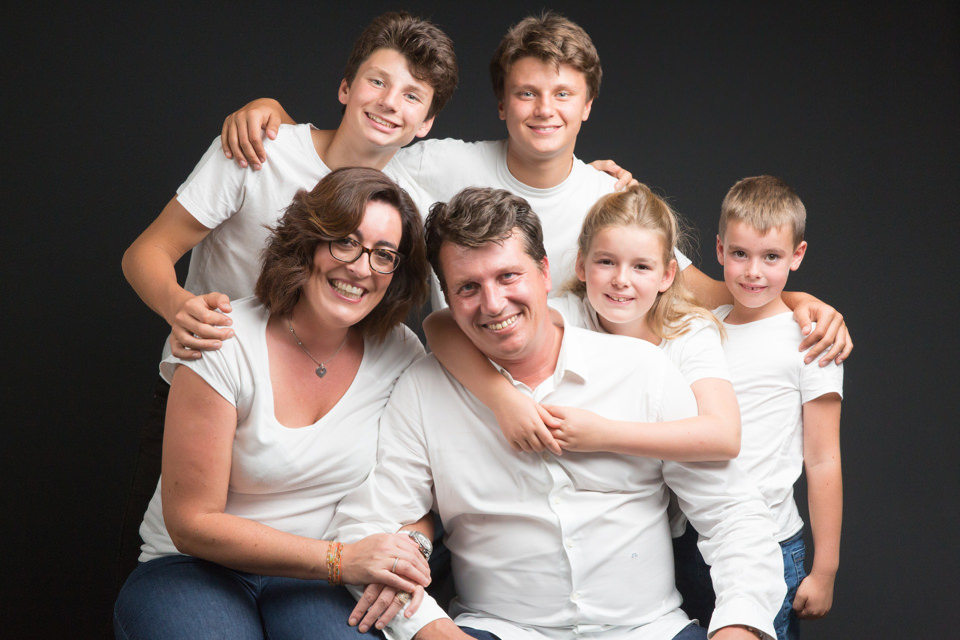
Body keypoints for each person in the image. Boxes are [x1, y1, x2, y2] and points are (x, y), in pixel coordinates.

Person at [222, 12, 851, 409]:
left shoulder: (608, 199)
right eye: (526, 93)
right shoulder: (439, 165)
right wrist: (273, 114)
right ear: (502, 104)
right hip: (460, 395)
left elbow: (702, 290)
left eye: (563, 94)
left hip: (574, 407)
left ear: (588, 106)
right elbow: (343, 160)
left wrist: (797, 301)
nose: (544, 109)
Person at [326, 186, 786, 640]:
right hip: (498, 630)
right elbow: (368, 525)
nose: (493, 304)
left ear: (545, 272)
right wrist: (432, 629)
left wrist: (739, 625)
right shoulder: (423, 390)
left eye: (509, 276)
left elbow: (733, 514)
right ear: (447, 297)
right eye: (468, 287)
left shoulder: (643, 368)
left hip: (650, 630)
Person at [116, 11, 458, 583]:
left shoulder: (407, 209)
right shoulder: (260, 148)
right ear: (346, 87)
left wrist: (592, 181)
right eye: (376, 81)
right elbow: (145, 253)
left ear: (425, 123)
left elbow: (450, 313)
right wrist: (180, 308)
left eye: (411, 96)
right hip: (206, 387)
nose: (388, 102)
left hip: (318, 410)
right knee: (164, 566)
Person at [114, 168, 433, 639]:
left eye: (384, 255)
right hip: (193, 568)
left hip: (318, 581)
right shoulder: (222, 339)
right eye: (345, 242)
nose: (361, 268)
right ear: (308, 242)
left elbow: (418, 489)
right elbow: (191, 524)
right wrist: (342, 560)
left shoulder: (401, 353)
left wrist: (411, 547)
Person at [424, 183, 740, 464]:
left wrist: (605, 434)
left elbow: (724, 436)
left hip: (673, 490)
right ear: (581, 265)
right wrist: (504, 401)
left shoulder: (688, 332)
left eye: (641, 267)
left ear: (667, 275)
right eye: (606, 262)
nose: (621, 280)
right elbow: (440, 325)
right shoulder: (571, 314)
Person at [676, 176, 844, 639]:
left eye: (771, 257)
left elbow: (824, 458)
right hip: (694, 536)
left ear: (797, 255)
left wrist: (825, 569)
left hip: (770, 541)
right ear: (719, 249)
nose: (753, 271)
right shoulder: (701, 327)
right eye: (740, 254)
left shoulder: (811, 340)